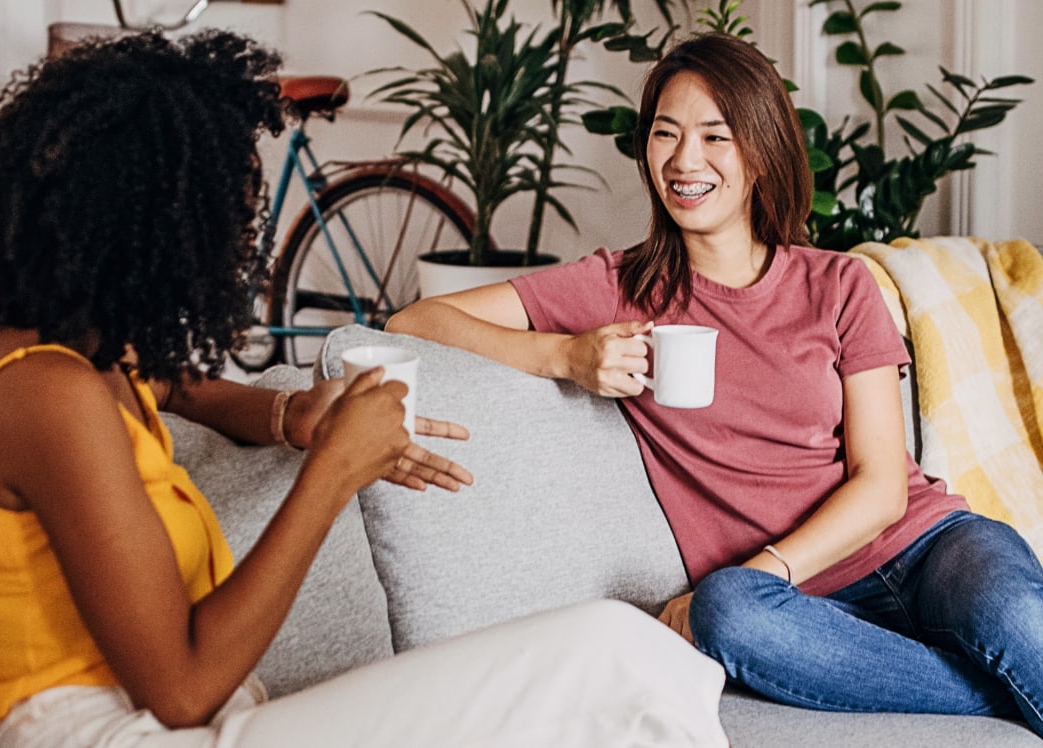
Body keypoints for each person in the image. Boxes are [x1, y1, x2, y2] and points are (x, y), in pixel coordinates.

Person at [0, 30, 731, 747]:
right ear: (146, 224)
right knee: (616, 665)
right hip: (112, 734)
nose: (248, 247)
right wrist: (332, 473)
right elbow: (178, 690)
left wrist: (292, 415)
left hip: (198, 719)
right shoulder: (48, 395)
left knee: (620, 650)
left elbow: (183, 389)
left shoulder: (86, 354)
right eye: (230, 220)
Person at [387, 31, 1043, 735]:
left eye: (714, 136)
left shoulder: (840, 284)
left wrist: (770, 568)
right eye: (664, 134)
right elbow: (414, 320)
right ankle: (994, 688)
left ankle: (988, 678)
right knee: (723, 609)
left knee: (1009, 613)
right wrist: (565, 357)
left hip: (927, 547)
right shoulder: (617, 285)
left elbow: (882, 486)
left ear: (760, 152)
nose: (684, 160)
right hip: (800, 614)